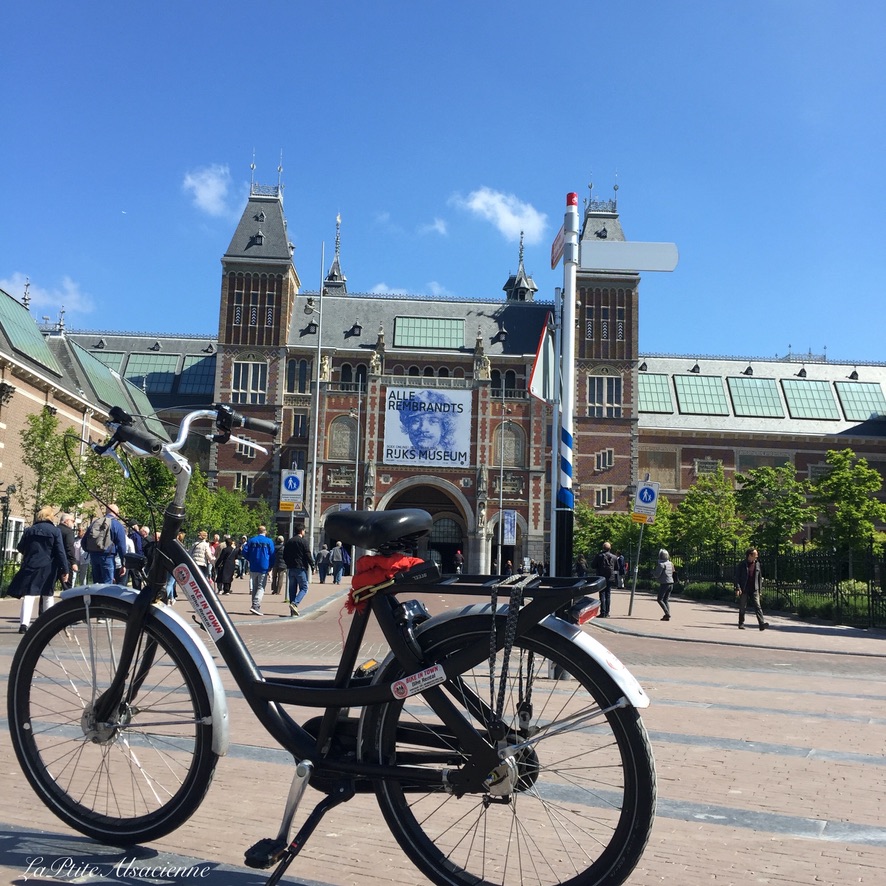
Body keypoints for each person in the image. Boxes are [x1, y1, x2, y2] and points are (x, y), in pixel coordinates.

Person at [8, 506, 69, 634]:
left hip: (31, 565)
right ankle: (48, 624)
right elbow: (60, 552)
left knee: (29, 595)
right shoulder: (55, 531)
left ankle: (23, 625)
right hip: (49, 567)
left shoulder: (30, 530)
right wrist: (65, 569)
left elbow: (20, 547)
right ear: (50, 516)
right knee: (48, 595)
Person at [398, 390, 459, 454]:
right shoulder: (401, 457)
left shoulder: (451, 458)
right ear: (407, 426)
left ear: (444, 428)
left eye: (433, 421)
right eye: (416, 421)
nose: (423, 428)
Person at [87, 504, 128, 585]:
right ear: (116, 513)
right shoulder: (117, 524)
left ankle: (96, 597)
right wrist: (124, 563)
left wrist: (90, 551)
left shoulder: (95, 522)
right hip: (107, 556)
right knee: (107, 583)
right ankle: (104, 598)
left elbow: (84, 541)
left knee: (96, 583)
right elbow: (121, 546)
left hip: (94, 555)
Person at [283, 523, 315, 616]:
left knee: (292, 589)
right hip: (300, 568)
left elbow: (285, 555)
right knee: (304, 587)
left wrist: (288, 563)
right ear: (301, 531)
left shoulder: (289, 541)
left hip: (291, 568)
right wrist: (312, 566)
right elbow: (307, 554)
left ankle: (292, 611)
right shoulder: (303, 542)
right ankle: (295, 603)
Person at [734, 547, 769, 631]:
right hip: (744, 588)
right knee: (743, 606)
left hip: (754, 588)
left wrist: (760, 589)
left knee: (758, 606)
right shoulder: (742, 564)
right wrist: (738, 588)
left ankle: (761, 624)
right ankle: (741, 623)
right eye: (755, 554)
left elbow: (759, 578)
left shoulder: (757, 564)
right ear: (750, 555)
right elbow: (737, 577)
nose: (757, 556)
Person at [242, 526, 275, 615]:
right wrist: (271, 566)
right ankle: (256, 605)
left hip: (253, 566)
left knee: (255, 587)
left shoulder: (252, 540)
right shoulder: (269, 541)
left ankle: (254, 605)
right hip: (264, 566)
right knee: (261, 587)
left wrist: (250, 559)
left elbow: (244, 552)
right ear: (265, 531)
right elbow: (272, 555)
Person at [592, 541, 618, 618]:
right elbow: (616, 568)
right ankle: (607, 612)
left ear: (603, 548)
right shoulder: (614, 557)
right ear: (610, 548)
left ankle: (602, 612)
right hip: (610, 577)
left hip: (601, 577)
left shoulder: (599, 556)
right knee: (608, 595)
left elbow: (593, 565)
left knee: (602, 594)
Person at [653, 549, 675, 621]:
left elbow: (657, 575)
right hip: (671, 583)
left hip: (664, 583)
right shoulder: (670, 563)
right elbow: (673, 571)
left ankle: (667, 613)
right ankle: (667, 615)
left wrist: (653, 573)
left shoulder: (661, 564)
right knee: (665, 600)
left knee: (659, 599)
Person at [57, 512, 76, 590]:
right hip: (65, 561)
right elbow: (69, 547)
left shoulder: (56, 529)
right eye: (73, 521)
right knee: (67, 586)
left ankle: (42, 602)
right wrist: (73, 562)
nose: (74, 523)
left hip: (53, 561)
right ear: (66, 521)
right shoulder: (68, 532)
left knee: (47, 588)